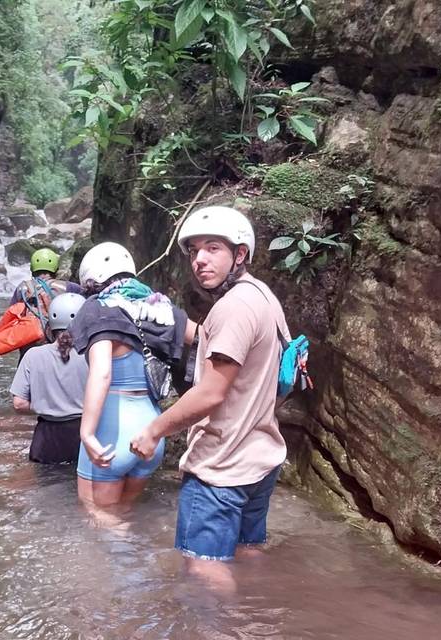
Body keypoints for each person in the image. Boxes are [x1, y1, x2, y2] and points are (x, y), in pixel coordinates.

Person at [129, 206, 291, 589]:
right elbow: (246, 357)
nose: (200, 259)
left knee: (203, 567)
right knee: (247, 551)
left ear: (240, 254)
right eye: (194, 251)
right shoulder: (263, 297)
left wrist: (154, 431)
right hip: (261, 458)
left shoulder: (233, 307)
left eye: (213, 248)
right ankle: (253, 620)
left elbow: (211, 393)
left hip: (222, 467)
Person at [66, 242, 196, 512]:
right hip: (151, 431)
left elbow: (102, 373)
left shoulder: (98, 308)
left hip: (111, 432)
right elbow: (211, 339)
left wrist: (87, 433)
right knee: (124, 515)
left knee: (98, 517)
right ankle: (143, 554)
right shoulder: (162, 308)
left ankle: (135, 555)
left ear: (93, 279)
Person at [10, 293, 88, 464]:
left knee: (46, 487)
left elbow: (19, 404)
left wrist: (47, 404)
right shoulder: (92, 356)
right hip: (84, 436)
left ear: (50, 326)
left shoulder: (32, 355)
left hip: (45, 441)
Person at [9, 248, 83, 358]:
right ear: (56, 270)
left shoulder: (21, 288)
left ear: (32, 270)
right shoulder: (69, 287)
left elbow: (12, 317)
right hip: (60, 347)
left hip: (29, 349)